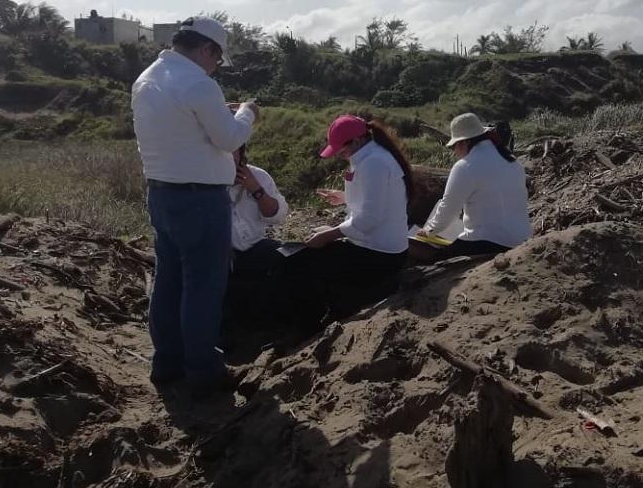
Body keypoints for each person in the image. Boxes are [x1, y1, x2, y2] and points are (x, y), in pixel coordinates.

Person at [131, 16, 259, 393]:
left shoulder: (147, 79)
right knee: (203, 286)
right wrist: (248, 111)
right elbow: (229, 138)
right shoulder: (199, 84)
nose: (215, 66)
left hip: (162, 193)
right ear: (207, 50)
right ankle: (204, 372)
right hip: (201, 199)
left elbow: (186, 131)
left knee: (169, 281)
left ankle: (167, 363)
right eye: (217, 59)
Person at [285, 115, 411, 331]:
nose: (340, 155)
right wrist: (345, 197)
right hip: (379, 246)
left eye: (341, 150)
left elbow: (369, 219)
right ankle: (328, 311)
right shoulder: (372, 157)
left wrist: (328, 235)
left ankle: (307, 328)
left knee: (300, 262)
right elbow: (380, 199)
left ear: (356, 141)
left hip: (381, 255)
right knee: (311, 252)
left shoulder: (373, 163)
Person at [420, 112, 531, 259]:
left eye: (454, 147)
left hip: (488, 241)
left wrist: (428, 230)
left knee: (429, 256)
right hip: (522, 239)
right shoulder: (513, 161)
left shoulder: (465, 166)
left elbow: (449, 208)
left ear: (464, 142)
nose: (455, 152)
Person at [225, 145, 289, 319]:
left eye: (231, 149)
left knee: (290, 258)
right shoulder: (201, 183)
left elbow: (277, 215)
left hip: (254, 247)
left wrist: (256, 189)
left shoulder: (258, 176)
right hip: (219, 259)